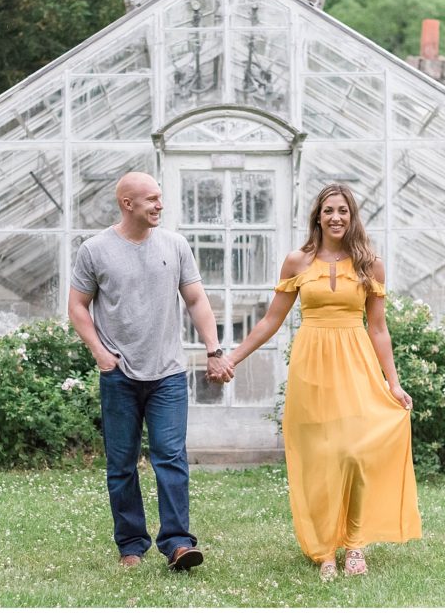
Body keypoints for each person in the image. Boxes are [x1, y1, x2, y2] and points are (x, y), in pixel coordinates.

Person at [224, 183, 421, 580]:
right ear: (318, 215)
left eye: (343, 211)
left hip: (357, 365)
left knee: (354, 454)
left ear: (352, 217)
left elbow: (379, 329)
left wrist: (393, 382)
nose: (336, 217)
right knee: (321, 458)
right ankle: (325, 549)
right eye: (329, 210)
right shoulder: (297, 262)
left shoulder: (371, 265)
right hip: (311, 369)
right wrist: (232, 357)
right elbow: (270, 320)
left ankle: (356, 543)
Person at [68, 171, 234, 571]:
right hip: (119, 375)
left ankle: (178, 544)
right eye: (152, 199)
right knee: (121, 464)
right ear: (128, 204)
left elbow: (196, 299)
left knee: (170, 456)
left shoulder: (175, 245)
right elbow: (77, 305)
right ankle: (131, 546)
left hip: (169, 375)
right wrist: (100, 353)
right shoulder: (95, 250)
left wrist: (214, 350)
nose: (160, 205)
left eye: (160, 198)